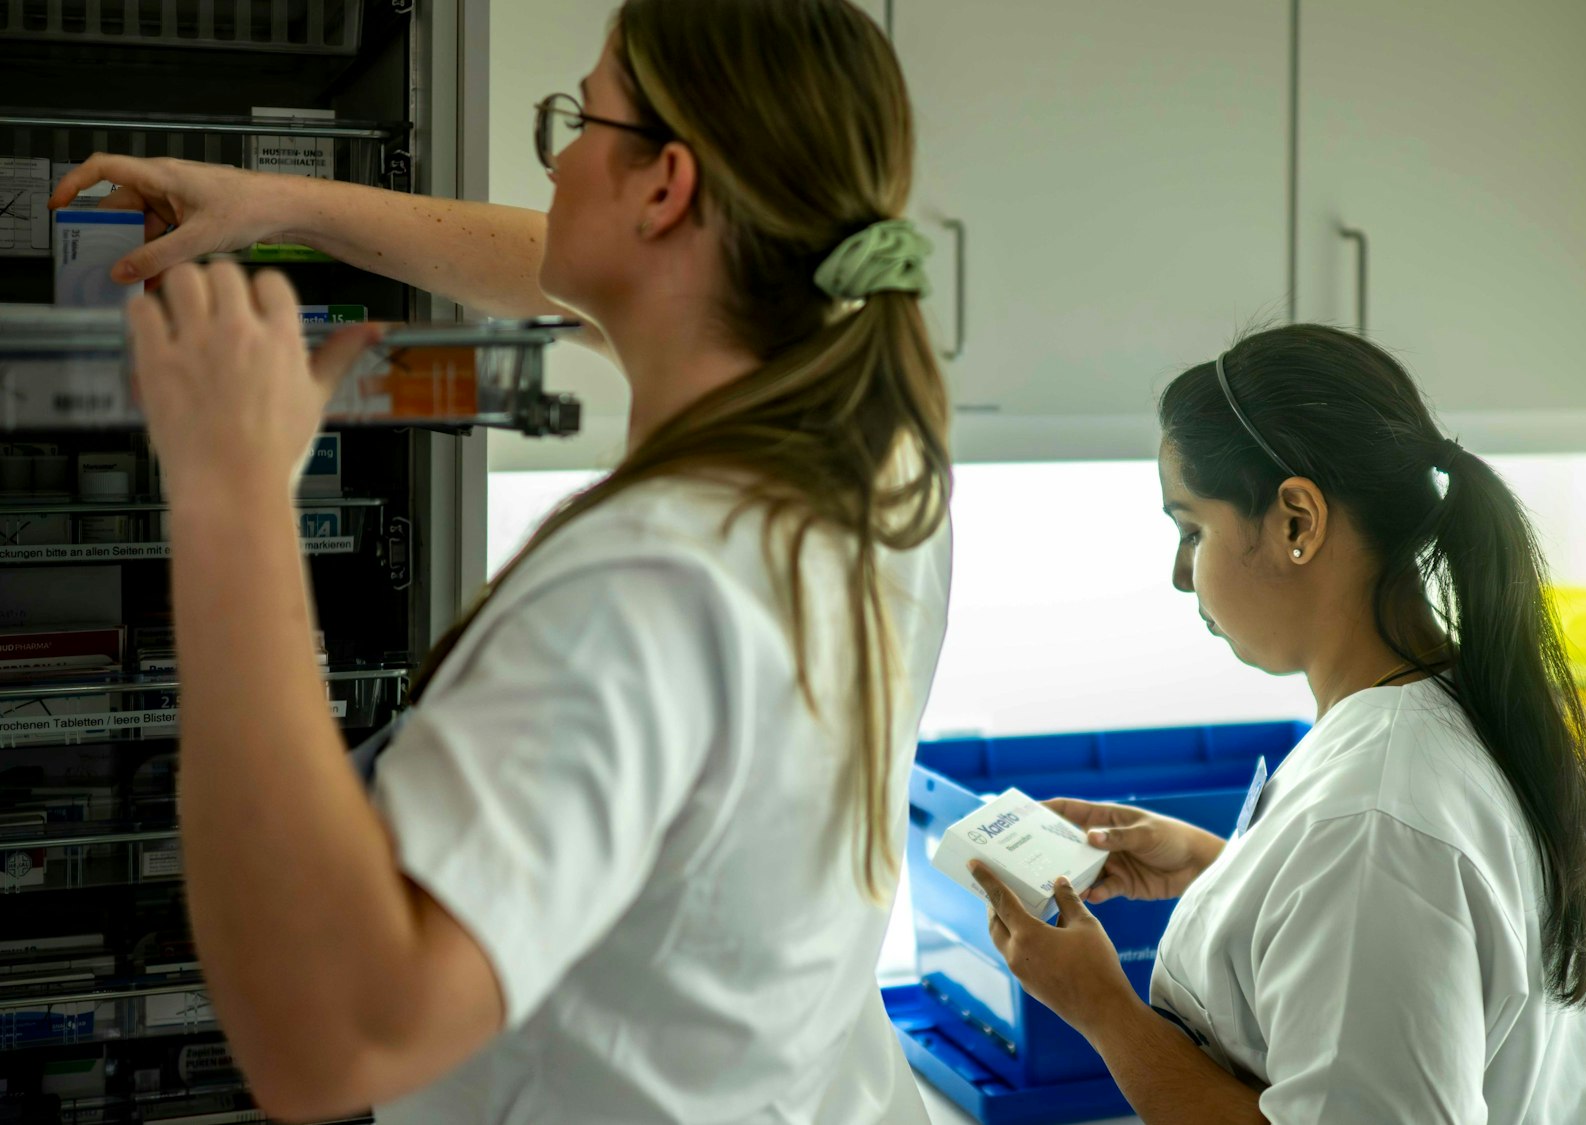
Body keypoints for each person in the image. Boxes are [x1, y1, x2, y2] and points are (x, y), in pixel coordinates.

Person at [51, 1, 950, 1121]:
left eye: (579, 123)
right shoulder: (877, 455)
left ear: (665, 188)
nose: (561, 160)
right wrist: (277, 204)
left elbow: (334, 1036)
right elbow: (568, 260)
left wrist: (232, 498)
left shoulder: (648, 580)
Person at [968, 323, 1586, 1123]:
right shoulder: (1455, 709)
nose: (1179, 573)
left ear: (1297, 521)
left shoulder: (1373, 821)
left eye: (1192, 528)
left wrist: (1102, 1007)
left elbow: (1371, 879)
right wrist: (1219, 870)